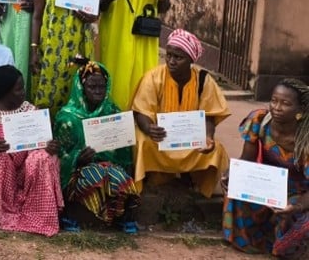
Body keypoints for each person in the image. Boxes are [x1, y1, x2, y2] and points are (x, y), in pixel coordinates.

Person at [0, 65, 63, 234]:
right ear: (5, 91)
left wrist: (49, 147)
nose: (23, 92)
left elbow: (43, 141)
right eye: (18, 89)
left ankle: (39, 215)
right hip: (1, 168)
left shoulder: (30, 110)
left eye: (22, 87)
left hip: (26, 168)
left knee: (42, 157)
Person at [131, 29, 230, 197]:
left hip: (190, 140)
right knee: (142, 142)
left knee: (216, 149)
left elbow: (210, 115)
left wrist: (208, 137)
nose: (171, 61)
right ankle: (150, 180)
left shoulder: (204, 80)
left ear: (191, 59)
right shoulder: (154, 77)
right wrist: (149, 128)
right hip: (160, 138)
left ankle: (194, 181)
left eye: (178, 57)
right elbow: (141, 110)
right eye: (168, 55)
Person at [222, 78, 309, 259]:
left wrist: (297, 205)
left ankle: (285, 245)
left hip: (299, 192)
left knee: (295, 223)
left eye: (285, 103)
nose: (277, 107)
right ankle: (252, 242)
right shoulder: (260, 119)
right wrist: (234, 173)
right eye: (274, 100)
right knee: (235, 192)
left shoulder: (305, 140)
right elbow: (247, 159)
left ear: (300, 110)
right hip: (267, 182)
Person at [53, 60, 140, 233]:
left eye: (102, 86)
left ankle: (122, 218)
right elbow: (59, 156)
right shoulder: (67, 117)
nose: (98, 91)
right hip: (79, 171)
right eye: (92, 86)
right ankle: (71, 215)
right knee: (95, 176)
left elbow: (124, 151)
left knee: (119, 178)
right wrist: (78, 157)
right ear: (81, 87)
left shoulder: (113, 112)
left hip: (109, 166)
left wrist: (113, 158)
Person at [31, 0, 96, 116]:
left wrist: (90, 16)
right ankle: (48, 139)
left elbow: (96, 14)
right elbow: (37, 16)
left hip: (79, 45)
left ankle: (73, 135)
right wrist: (34, 49)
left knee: (77, 87)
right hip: (51, 46)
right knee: (49, 91)